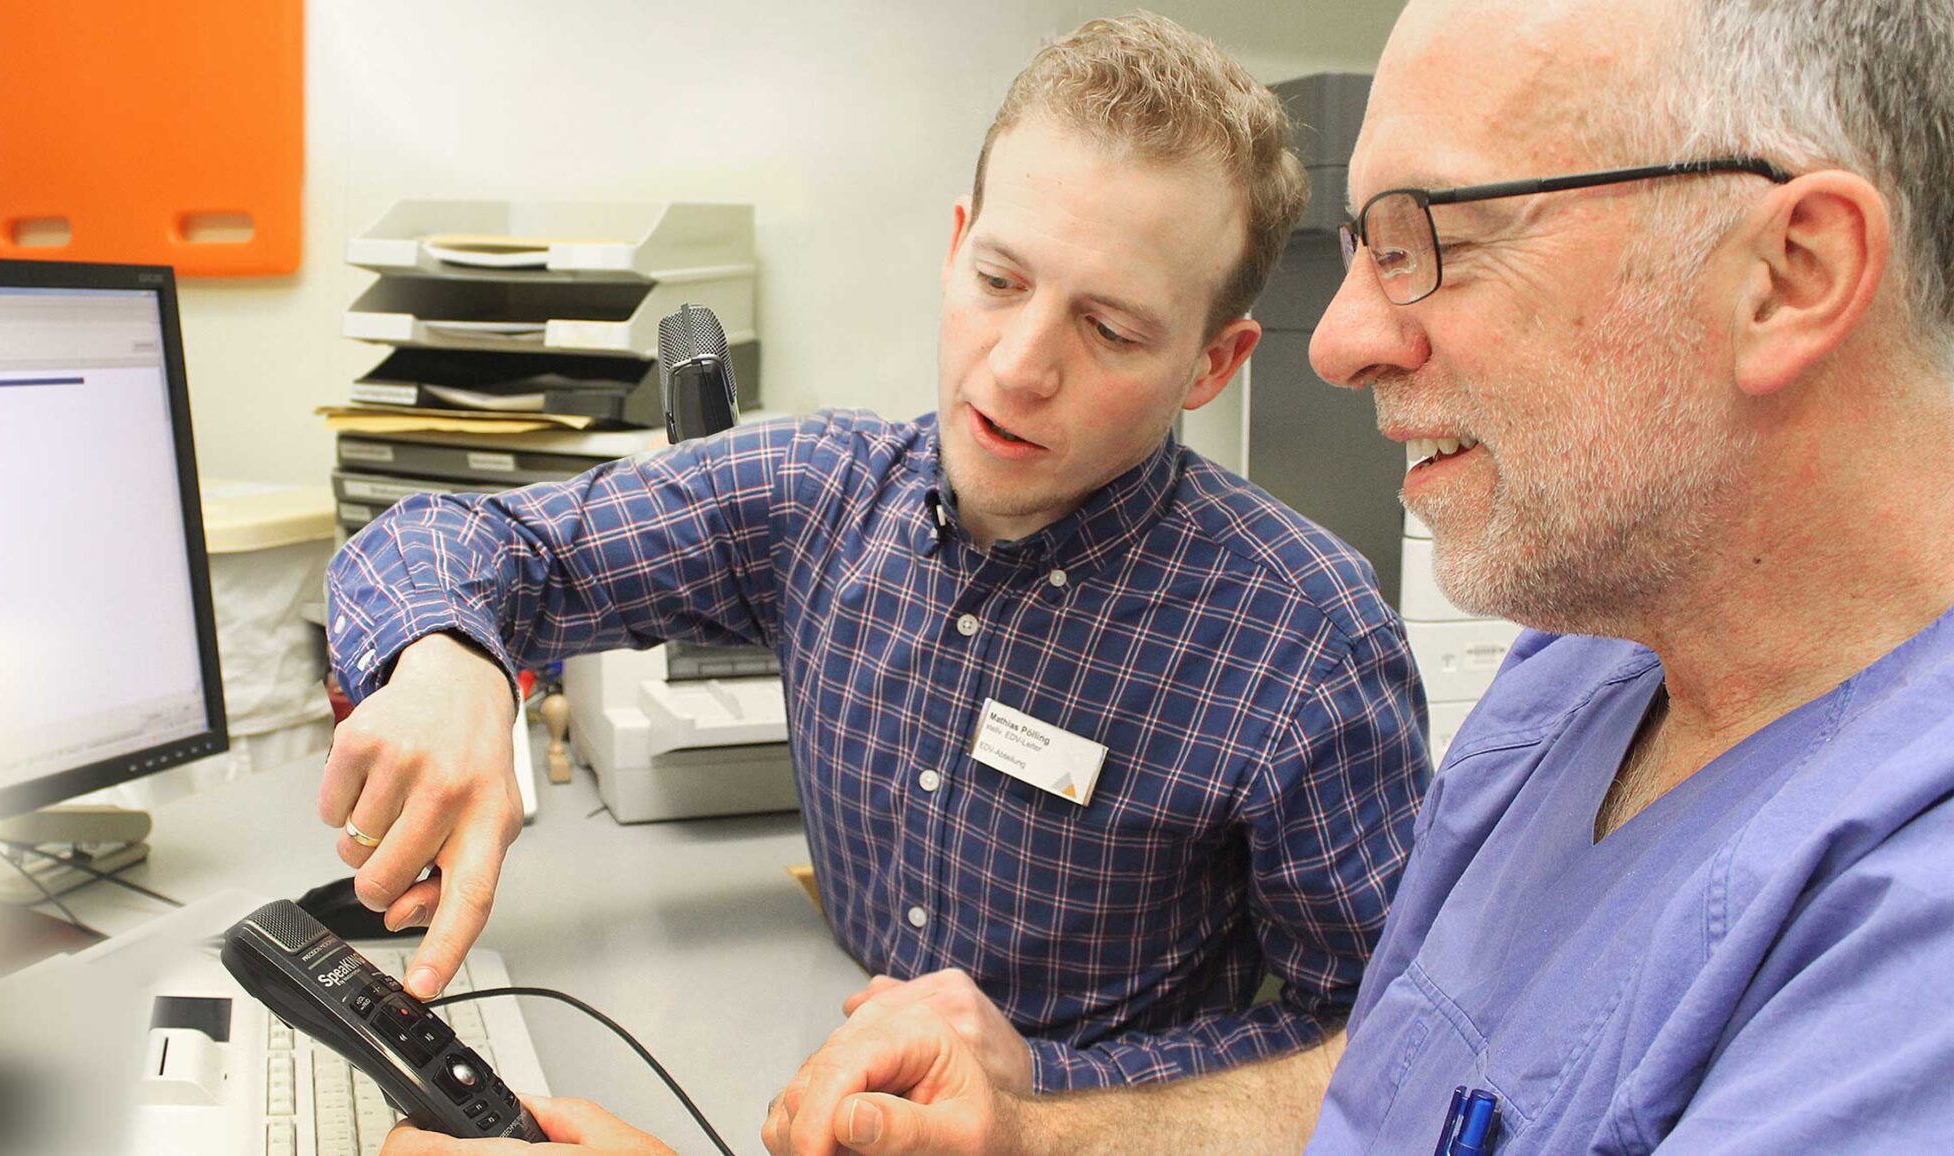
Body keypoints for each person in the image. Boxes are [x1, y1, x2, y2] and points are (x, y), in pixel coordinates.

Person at [710, 0, 1954, 1151]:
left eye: (1435, 238)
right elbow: (1384, 1080)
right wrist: (1031, 1122)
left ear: (1790, 272)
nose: (1345, 340)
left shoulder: (1903, 973)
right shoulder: (1576, 674)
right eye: (1361, 245)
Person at [322, 11, 1430, 1106]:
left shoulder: (1305, 644)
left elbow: (1379, 1035)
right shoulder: (818, 498)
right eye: (999, 281)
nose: (1018, 365)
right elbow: (451, 542)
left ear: (1211, 363)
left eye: (1111, 329)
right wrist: (446, 657)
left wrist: (1048, 1088)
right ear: (957, 246)